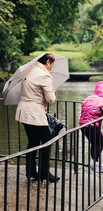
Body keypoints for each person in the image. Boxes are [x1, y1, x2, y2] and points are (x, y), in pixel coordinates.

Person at [15, 53, 59, 182]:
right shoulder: (44, 75)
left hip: (23, 111)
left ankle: (31, 171)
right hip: (35, 113)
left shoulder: (28, 70)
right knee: (47, 141)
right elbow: (50, 99)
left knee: (33, 141)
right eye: (52, 65)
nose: (51, 68)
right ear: (48, 61)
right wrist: (54, 94)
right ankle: (44, 173)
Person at [78, 81, 103, 170]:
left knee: (94, 143)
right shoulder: (101, 101)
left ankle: (95, 162)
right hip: (92, 126)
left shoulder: (89, 98)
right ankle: (93, 162)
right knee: (101, 143)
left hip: (83, 126)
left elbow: (84, 106)